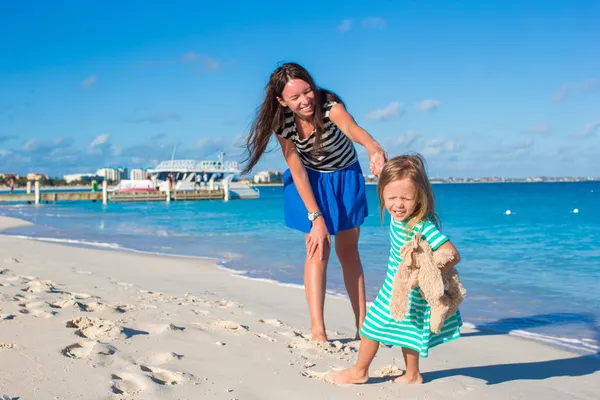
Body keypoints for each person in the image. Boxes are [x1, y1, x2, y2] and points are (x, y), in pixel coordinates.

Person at [243, 62, 387, 341]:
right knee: (318, 248)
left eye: (307, 91)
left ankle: (363, 327)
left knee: (348, 252)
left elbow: (352, 128)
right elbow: (296, 168)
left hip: (344, 177)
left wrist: (373, 147)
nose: (305, 100)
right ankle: (318, 330)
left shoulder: (329, 105)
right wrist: (315, 216)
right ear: (281, 101)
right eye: (295, 97)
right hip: (309, 181)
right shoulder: (282, 123)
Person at [333, 154, 462, 385]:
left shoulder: (420, 224)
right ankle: (412, 375)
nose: (398, 204)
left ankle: (359, 372)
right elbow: (388, 176)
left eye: (406, 198)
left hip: (408, 288)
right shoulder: (399, 214)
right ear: (382, 192)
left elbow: (452, 254)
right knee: (409, 333)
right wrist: (377, 160)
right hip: (394, 284)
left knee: (370, 327)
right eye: (391, 197)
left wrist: (424, 273)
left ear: (419, 196)